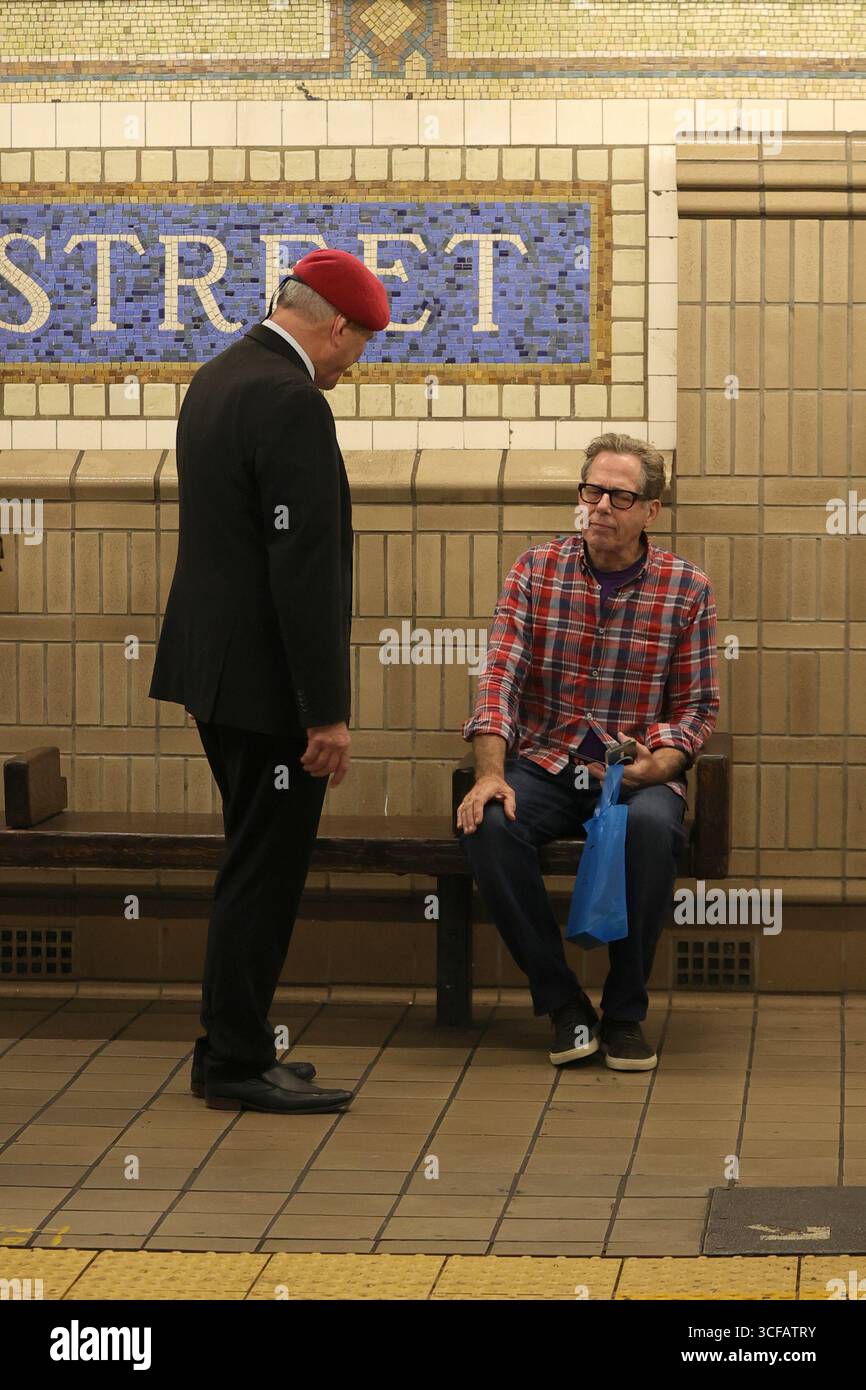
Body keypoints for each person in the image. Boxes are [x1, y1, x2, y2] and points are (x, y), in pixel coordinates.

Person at [149, 248, 390, 1113]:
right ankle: (235, 1063)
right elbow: (303, 568)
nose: (351, 368)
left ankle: (236, 1044)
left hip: (218, 674)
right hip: (268, 691)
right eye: (356, 348)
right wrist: (324, 713)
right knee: (265, 869)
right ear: (333, 325)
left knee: (251, 858)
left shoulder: (218, 378)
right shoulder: (290, 401)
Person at [457, 433, 719, 1073]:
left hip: (636, 767)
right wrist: (491, 774)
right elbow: (499, 683)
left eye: (620, 495)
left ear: (650, 510)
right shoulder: (536, 570)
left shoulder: (686, 588)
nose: (601, 505)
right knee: (489, 825)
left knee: (656, 830)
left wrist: (662, 763)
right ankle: (565, 1005)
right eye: (591, 491)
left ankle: (625, 1013)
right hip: (548, 763)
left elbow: (696, 709)